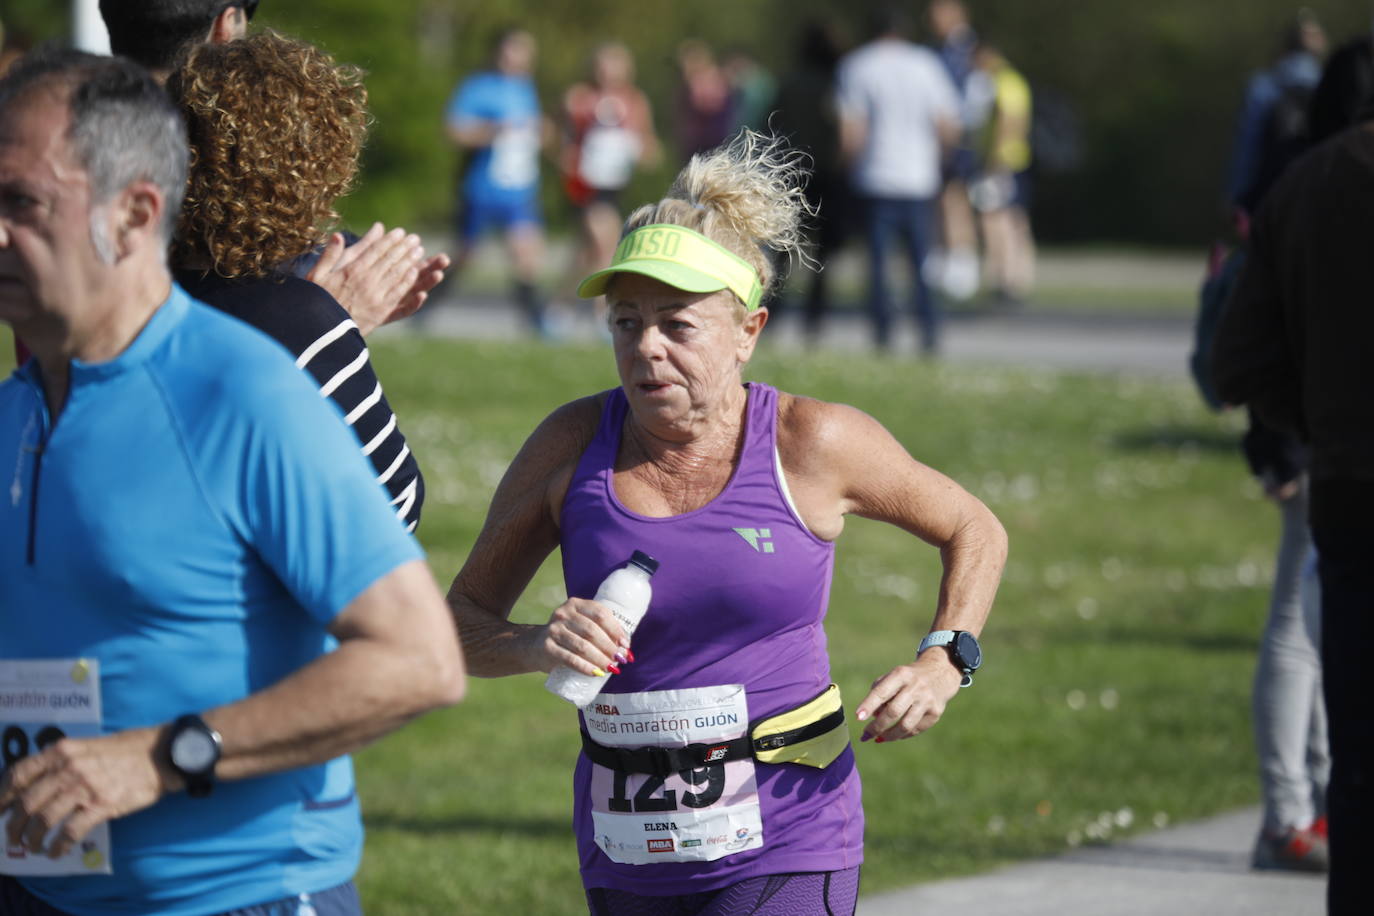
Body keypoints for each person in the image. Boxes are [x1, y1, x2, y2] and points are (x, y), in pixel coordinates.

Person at [446, 131, 1007, 915]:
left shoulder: (811, 443)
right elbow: (458, 623)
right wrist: (535, 644)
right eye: (625, 321)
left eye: (678, 324)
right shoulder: (572, 446)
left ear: (749, 331)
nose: (646, 348)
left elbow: (974, 526)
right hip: (626, 845)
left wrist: (946, 658)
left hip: (791, 829)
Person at [0, 49, 466, 915]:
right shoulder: (14, 413)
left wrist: (160, 755)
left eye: (21, 203)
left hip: (238, 895)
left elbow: (420, 661)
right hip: (40, 885)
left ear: (135, 214)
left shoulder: (243, 394)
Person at [1210, 36, 1374, 915]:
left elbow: (1237, 363)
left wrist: (1314, 417)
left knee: (1356, 759)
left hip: (1349, 488)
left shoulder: (1303, 187)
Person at [168, 32, 429, 531]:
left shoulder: (126, 292)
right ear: (318, 167)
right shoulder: (300, 320)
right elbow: (393, 508)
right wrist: (332, 329)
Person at [837, 5, 960, 354]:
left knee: (878, 264)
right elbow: (947, 124)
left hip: (875, 176)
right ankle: (929, 331)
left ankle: (883, 334)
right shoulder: (926, 64)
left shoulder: (857, 66)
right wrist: (944, 163)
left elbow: (852, 131)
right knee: (921, 262)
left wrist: (844, 168)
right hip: (919, 177)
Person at [445, 27, 550, 337]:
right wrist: (494, 130)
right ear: (499, 52)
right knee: (466, 254)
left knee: (526, 253)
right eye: (512, 49)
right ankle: (425, 306)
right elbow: (455, 130)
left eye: (524, 51)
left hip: (518, 189)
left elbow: (532, 135)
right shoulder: (478, 87)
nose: (517, 57)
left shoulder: (527, 89)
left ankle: (536, 323)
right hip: (481, 187)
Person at [561, 42, 660, 320]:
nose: (608, 73)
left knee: (586, 252)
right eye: (602, 66)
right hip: (585, 186)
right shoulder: (579, 97)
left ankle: (558, 305)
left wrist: (635, 149)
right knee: (603, 242)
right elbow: (563, 140)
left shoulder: (635, 101)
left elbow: (649, 148)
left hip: (615, 186)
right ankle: (603, 313)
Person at [770, 20, 851, 343]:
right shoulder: (836, 85)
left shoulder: (790, 83)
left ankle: (773, 313)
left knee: (782, 252)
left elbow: (772, 125)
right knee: (821, 256)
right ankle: (814, 319)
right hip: (827, 176)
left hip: (791, 172)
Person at [926, 0, 984, 302]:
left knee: (956, 198)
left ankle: (963, 265)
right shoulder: (941, 49)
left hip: (961, 135)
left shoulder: (966, 49)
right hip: (942, 134)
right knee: (942, 198)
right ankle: (944, 258)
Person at [969, 41, 1035, 307]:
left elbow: (1009, 122)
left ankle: (1005, 278)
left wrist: (994, 159)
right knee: (1015, 220)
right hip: (1014, 160)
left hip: (1002, 162)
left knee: (995, 219)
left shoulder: (1004, 82)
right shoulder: (1012, 81)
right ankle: (1019, 277)